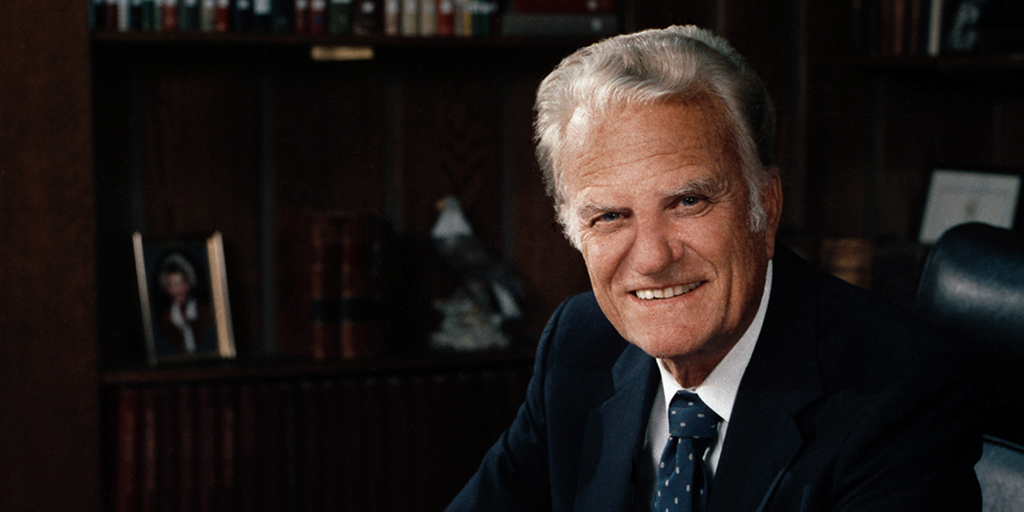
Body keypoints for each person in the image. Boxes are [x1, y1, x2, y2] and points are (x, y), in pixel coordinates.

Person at [446, 25, 981, 511]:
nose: (653, 258)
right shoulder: (580, 345)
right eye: (610, 216)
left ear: (765, 206)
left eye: (688, 202)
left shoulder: (900, 392)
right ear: (573, 232)